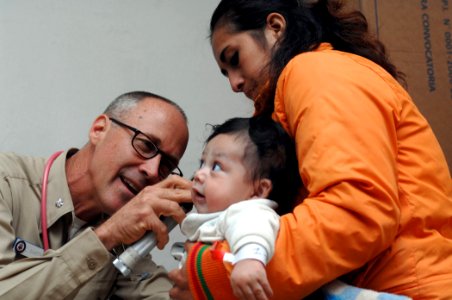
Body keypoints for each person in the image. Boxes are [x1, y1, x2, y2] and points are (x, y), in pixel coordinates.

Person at [169, 0, 452, 299]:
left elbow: (356, 213)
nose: (235, 84)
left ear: (275, 28)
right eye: (225, 73)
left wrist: (214, 276)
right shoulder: (285, 102)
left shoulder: (318, 71)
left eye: (235, 58)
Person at [0, 91, 192, 299]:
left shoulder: (123, 240)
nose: (153, 170)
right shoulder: (6, 182)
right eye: (146, 145)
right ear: (99, 129)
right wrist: (106, 236)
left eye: (167, 165)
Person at [179, 116, 301, 300]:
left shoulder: (249, 212)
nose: (198, 174)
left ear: (258, 190)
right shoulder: (224, 216)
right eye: (202, 163)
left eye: (217, 167)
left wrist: (249, 261)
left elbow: (254, 227)